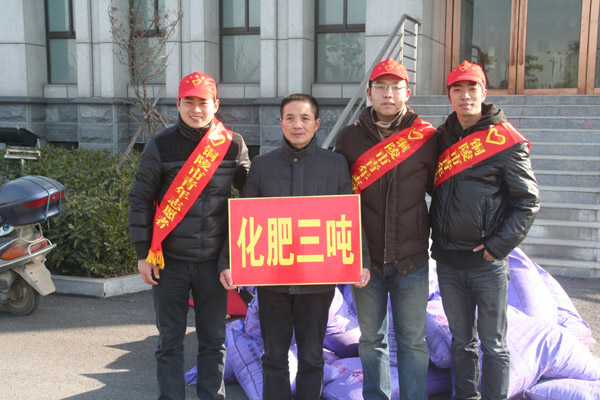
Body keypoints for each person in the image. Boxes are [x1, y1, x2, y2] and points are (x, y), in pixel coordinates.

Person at [219, 93, 370, 400]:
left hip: (316, 282)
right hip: (273, 280)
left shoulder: (335, 165)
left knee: (312, 356)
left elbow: (349, 216)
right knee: (274, 356)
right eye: (290, 118)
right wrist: (228, 261)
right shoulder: (262, 166)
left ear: (317, 123)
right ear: (281, 123)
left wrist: (361, 260)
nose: (297, 125)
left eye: (304, 118)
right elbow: (244, 218)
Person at [128, 71, 250, 400]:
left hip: (214, 264)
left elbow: (252, 195)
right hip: (169, 262)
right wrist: (142, 253)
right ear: (178, 104)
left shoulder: (232, 144)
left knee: (213, 341)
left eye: (203, 102)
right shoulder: (160, 145)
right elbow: (140, 200)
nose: (196, 109)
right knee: (170, 342)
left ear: (216, 104)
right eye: (189, 102)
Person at [430, 60, 540, 400]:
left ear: (484, 92)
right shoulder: (441, 139)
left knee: (493, 344)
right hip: (448, 261)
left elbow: (527, 201)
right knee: (461, 342)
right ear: (449, 95)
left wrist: (498, 245)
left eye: (472, 88)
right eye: (457, 89)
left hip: (487, 263)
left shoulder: (504, 140)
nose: (465, 96)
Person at [334, 58, 437, 400]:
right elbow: (337, 195)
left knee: (413, 341)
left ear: (408, 92)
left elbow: (443, 190)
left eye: (395, 87)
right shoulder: (349, 138)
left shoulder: (426, 138)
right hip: (367, 262)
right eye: (381, 87)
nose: (388, 94)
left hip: (412, 259)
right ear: (369, 93)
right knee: (371, 340)